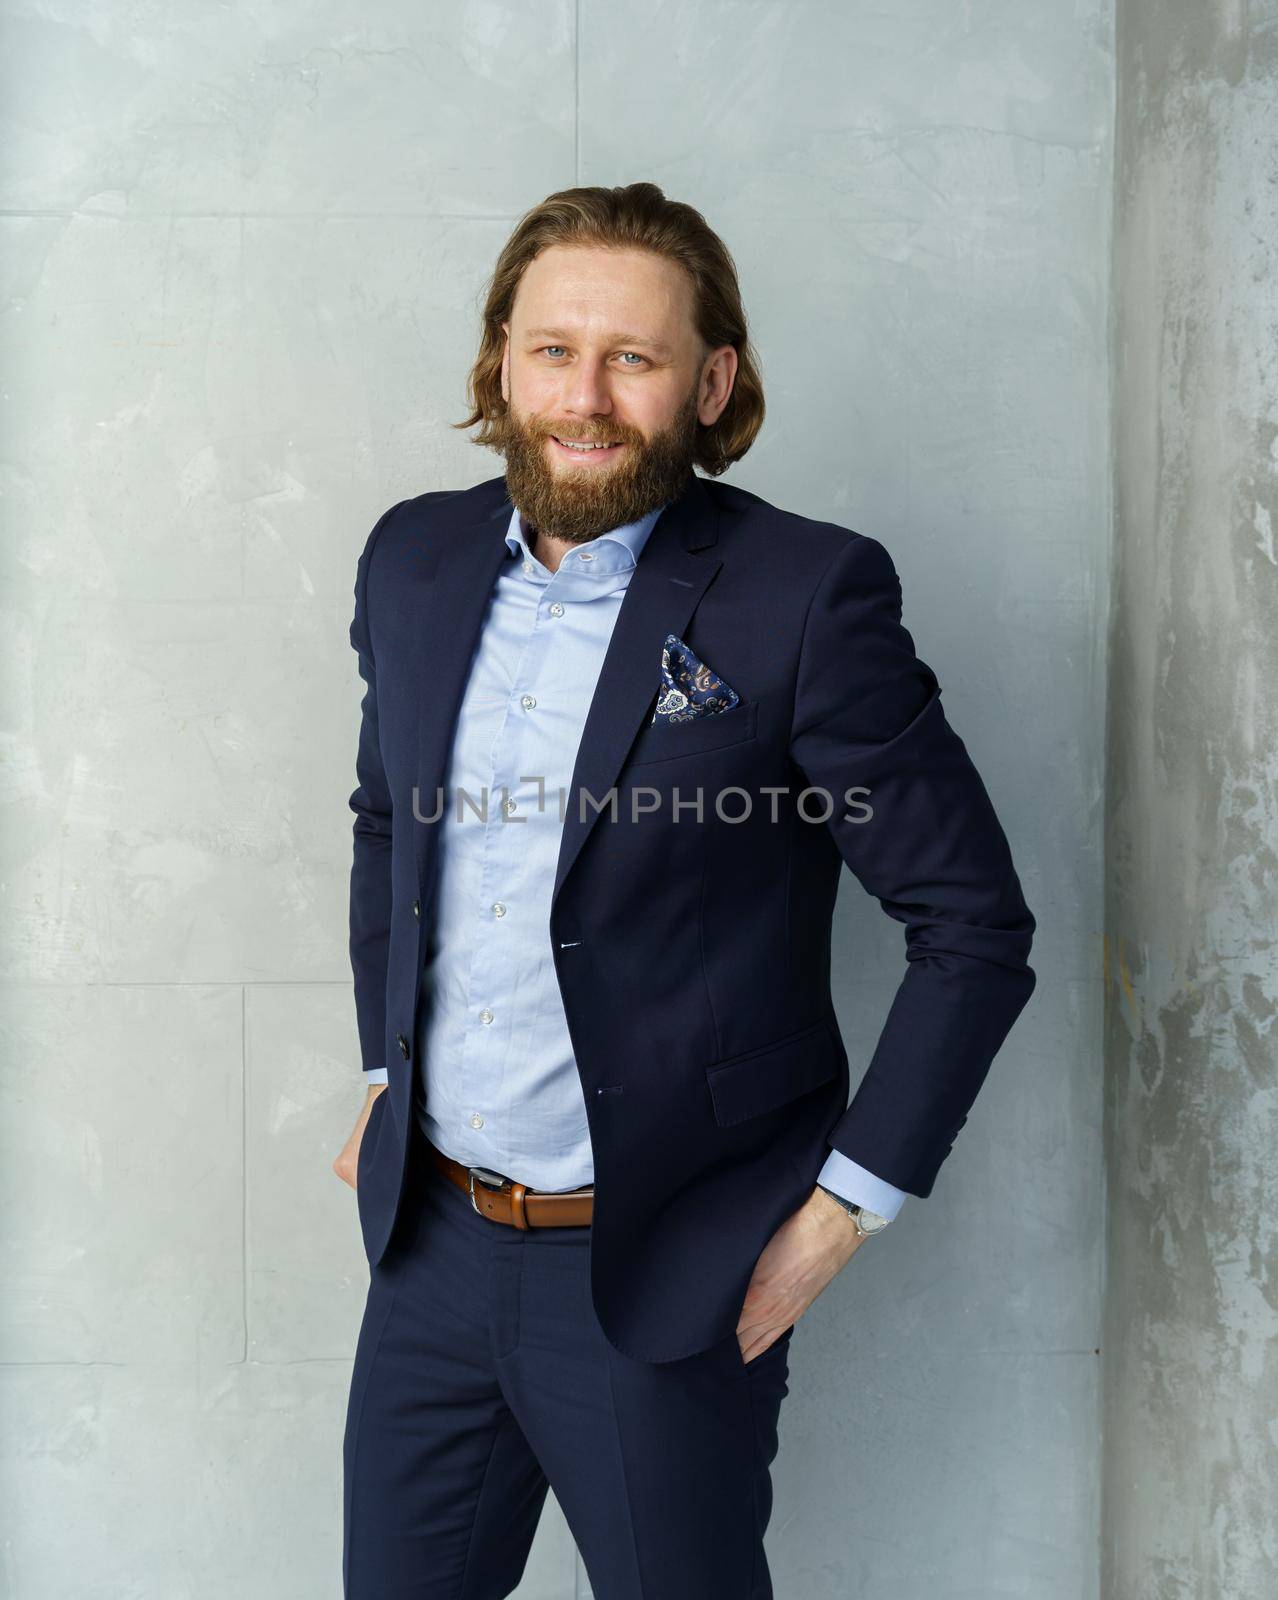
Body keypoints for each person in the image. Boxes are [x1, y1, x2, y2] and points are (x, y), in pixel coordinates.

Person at [332, 182, 1036, 1599]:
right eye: (550, 350)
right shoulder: (412, 557)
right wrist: (377, 1066)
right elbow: (381, 828)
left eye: (632, 359)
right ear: (501, 359)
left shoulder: (802, 595)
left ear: (710, 383)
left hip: (663, 1270)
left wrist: (846, 1208)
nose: (582, 397)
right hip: (429, 1254)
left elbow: (971, 927)